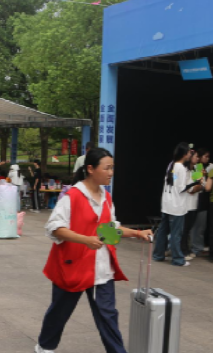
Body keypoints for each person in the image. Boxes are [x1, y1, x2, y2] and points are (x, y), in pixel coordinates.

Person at [35, 148, 153, 353]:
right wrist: (85, 240)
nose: (111, 173)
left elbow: (110, 229)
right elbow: (54, 228)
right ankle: (45, 346)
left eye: (112, 168)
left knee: (108, 315)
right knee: (60, 311)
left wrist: (137, 233)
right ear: (90, 169)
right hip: (73, 266)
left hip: (101, 268)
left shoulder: (106, 197)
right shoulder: (72, 196)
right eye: (106, 168)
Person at [153, 142, 193, 267]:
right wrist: (195, 183)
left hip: (167, 203)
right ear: (184, 154)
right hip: (176, 205)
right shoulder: (181, 168)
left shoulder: (171, 164)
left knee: (163, 231)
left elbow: (174, 183)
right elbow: (181, 188)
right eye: (189, 152)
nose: (190, 154)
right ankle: (178, 259)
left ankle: (158, 255)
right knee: (176, 233)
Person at [181, 150, 203, 259]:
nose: (198, 159)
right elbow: (188, 188)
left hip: (194, 203)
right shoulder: (184, 170)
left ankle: (186, 249)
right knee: (184, 229)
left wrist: (198, 186)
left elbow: (202, 185)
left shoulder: (197, 169)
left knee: (188, 228)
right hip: (185, 204)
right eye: (196, 156)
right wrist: (196, 187)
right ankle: (183, 251)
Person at [190, 148, 210, 258]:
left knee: (200, 227)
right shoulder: (197, 167)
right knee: (193, 226)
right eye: (205, 156)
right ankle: (194, 248)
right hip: (195, 200)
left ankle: (198, 247)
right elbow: (201, 185)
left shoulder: (208, 167)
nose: (207, 158)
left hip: (203, 202)